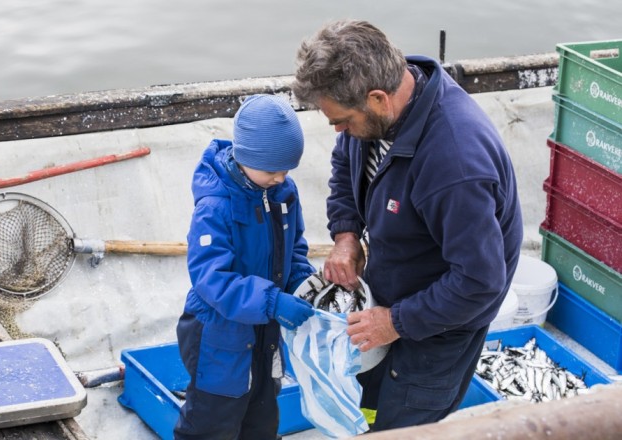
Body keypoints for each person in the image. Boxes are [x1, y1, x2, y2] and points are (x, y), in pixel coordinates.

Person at [292, 20, 523, 431]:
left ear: (378, 98)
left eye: (341, 121)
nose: (339, 131)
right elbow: (345, 164)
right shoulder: (375, 115)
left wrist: (394, 323)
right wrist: (346, 237)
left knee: (403, 426)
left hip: (442, 322)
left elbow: (479, 282)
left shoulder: (455, 165)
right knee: (368, 403)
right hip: (390, 286)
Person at [174, 94, 316, 439]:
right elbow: (211, 280)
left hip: (266, 333)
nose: (281, 177)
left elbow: (294, 247)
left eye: (287, 169)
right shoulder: (214, 207)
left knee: (262, 419)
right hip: (219, 338)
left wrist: (303, 282)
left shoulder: (283, 192)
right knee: (211, 423)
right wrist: (272, 302)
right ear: (245, 157)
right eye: (273, 170)